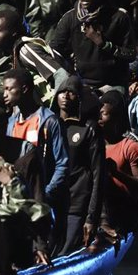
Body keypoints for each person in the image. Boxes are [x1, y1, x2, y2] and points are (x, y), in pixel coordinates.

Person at [47, 0, 137, 94]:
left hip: (113, 84)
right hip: (83, 84)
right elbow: (54, 49)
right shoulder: (71, 18)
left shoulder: (118, 17)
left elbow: (131, 54)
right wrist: (70, 69)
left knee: (108, 110)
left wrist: (105, 45)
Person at [52, 75, 106, 256]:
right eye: (62, 92)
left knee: (65, 255)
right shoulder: (50, 126)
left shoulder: (89, 129)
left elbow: (99, 175)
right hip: (52, 203)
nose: (66, 96)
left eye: (71, 93)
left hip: (76, 205)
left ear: (80, 98)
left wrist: (92, 217)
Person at [4, 69, 69, 205]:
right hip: (17, 199)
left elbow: (62, 163)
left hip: (44, 200)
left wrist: (44, 194)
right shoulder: (10, 123)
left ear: (25, 89)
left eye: (9, 89)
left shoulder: (49, 121)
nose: (5, 95)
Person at [97, 91, 138, 237]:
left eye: (104, 114)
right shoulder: (94, 146)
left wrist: (116, 173)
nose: (99, 118)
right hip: (100, 212)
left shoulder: (131, 147)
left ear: (116, 117)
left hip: (123, 213)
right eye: (98, 113)